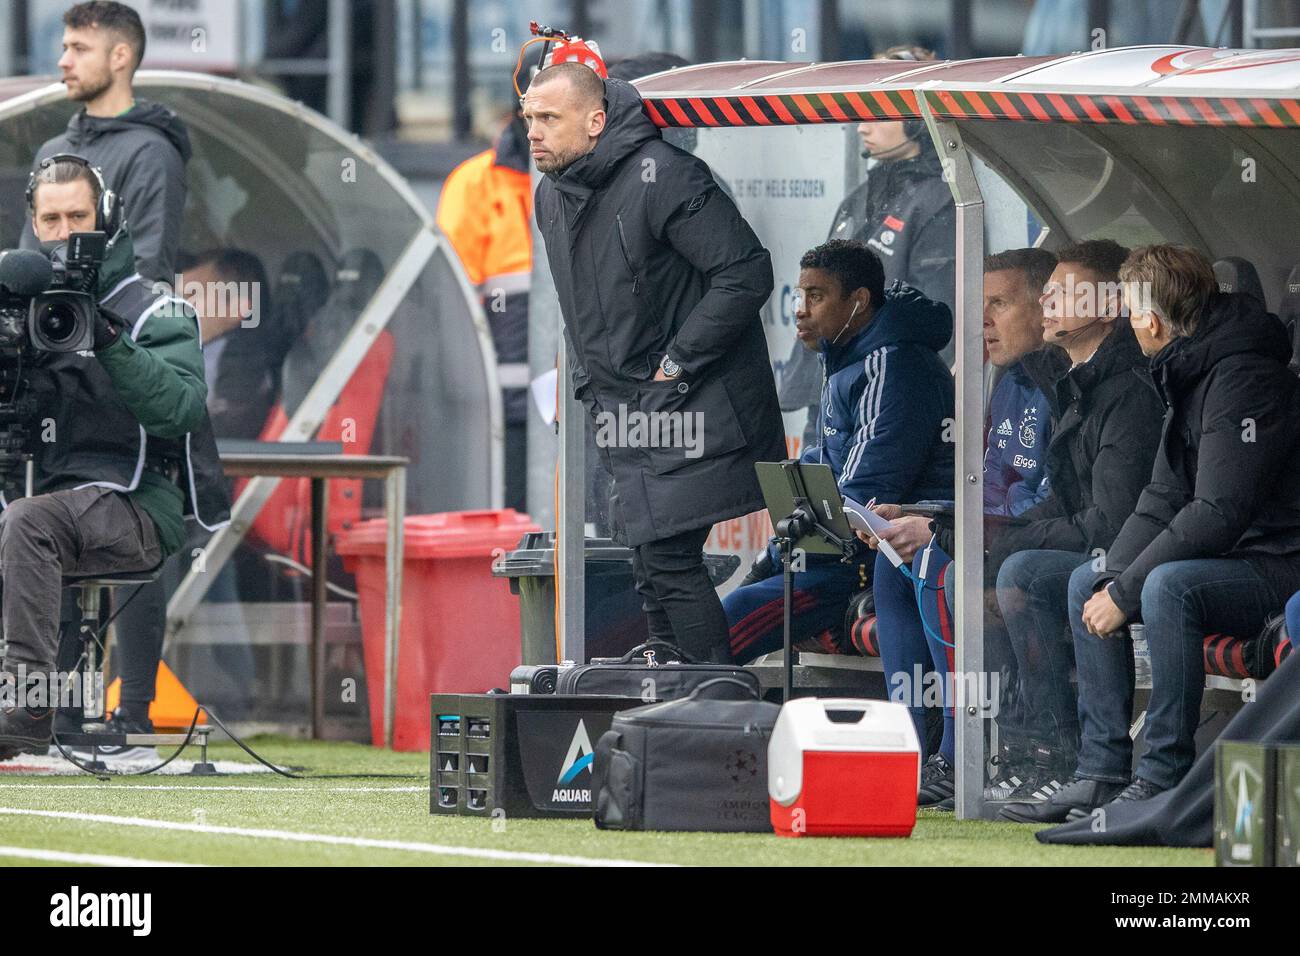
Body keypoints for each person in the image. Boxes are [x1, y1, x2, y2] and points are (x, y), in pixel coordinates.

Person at [1029, 245, 1300, 824]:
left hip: (1279, 561)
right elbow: (1162, 497)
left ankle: (1160, 778)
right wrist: (1112, 577)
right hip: (1234, 559)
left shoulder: (1243, 374)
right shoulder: (1186, 365)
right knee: (1086, 580)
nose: (1129, 322)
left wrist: (1127, 592)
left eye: (1129, 310)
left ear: (1149, 318)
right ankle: (1101, 773)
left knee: (1166, 587)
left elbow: (1219, 509)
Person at [527, 63, 786, 663]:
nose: (534, 133)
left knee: (667, 558)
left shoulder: (664, 175)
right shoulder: (551, 194)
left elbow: (746, 273)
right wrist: (593, 389)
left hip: (696, 405)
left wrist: (676, 365)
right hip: (625, 413)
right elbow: (583, 313)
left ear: (596, 122)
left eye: (549, 119)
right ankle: (672, 688)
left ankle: (718, 708)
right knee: (647, 560)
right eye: (529, 120)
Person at [0, 156, 229, 759]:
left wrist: (106, 337)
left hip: (135, 507)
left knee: (27, 522)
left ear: (106, 217)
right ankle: (45, 705)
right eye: (50, 218)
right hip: (41, 498)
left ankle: (25, 710)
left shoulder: (159, 310)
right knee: (27, 518)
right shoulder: (15, 307)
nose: (64, 231)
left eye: (78, 215)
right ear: (32, 223)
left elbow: (180, 408)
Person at [859, 247, 1057, 808]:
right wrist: (930, 516)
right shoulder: (1001, 377)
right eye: (979, 305)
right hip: (998, 534)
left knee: (934, 563)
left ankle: (957, 750)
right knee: (894, 559)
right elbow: (983, 491)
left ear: (1049, 307)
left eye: (999, 303)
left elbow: (1048, 504)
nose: (983, 321)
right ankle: (914, 749)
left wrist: (941, 532)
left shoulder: (1057, 384)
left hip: (1039, 545)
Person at [983, 240, 1165, 816]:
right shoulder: (1073, 379)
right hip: (1102, 548)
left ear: (1109, 306)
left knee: (1045, 573)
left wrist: (1011, 542)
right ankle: (1031, 755)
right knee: (992, 564)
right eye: (1049, 290)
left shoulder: (1129, 389)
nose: (1048, 301)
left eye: (1063, 292)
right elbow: (1061, 501)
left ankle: (1084, 765)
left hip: (1137, 556)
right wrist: (980, 533)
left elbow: (1110, 521)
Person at [726, 240, 954, 665]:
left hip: (873, 562)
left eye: (816, 295)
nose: (800, 308)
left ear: (859, 301)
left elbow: (861, 498)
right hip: (836, 554)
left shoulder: (892, 364)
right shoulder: (848, 358)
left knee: (725, 625)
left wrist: (779, 549)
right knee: (707, 618)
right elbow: (825, 462)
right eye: (799, 294)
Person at [106, 248, 270, 742]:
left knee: (178, 547)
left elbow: (214, 418)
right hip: (193, 495)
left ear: (238, 304)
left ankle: (219, 688)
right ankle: (227, 684)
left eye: (196, 293)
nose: (179, 301)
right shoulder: (178, 341)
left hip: (225, 495)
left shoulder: (248, 357)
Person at [779, 45, 956, 450]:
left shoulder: (940, 198)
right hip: (829, 382)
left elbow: (934, 314)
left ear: (917, 119)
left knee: (859, 504)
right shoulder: (862, 196)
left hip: (882, 390)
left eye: (878, 111)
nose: (862, 126)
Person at [20, 2, 191, 284]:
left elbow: (145, 274)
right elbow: (29, 260)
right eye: (65, 48)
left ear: (119, 56)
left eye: (80, 49)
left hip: (113, 325)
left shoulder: (151, 154)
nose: (64, 61)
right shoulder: (51, 151)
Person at [437, 52, 538, 512]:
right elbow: (449, 304)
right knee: (515, 530)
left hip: (588, 411)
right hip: (505, 413)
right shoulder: (474, 185)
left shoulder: (600, 182)